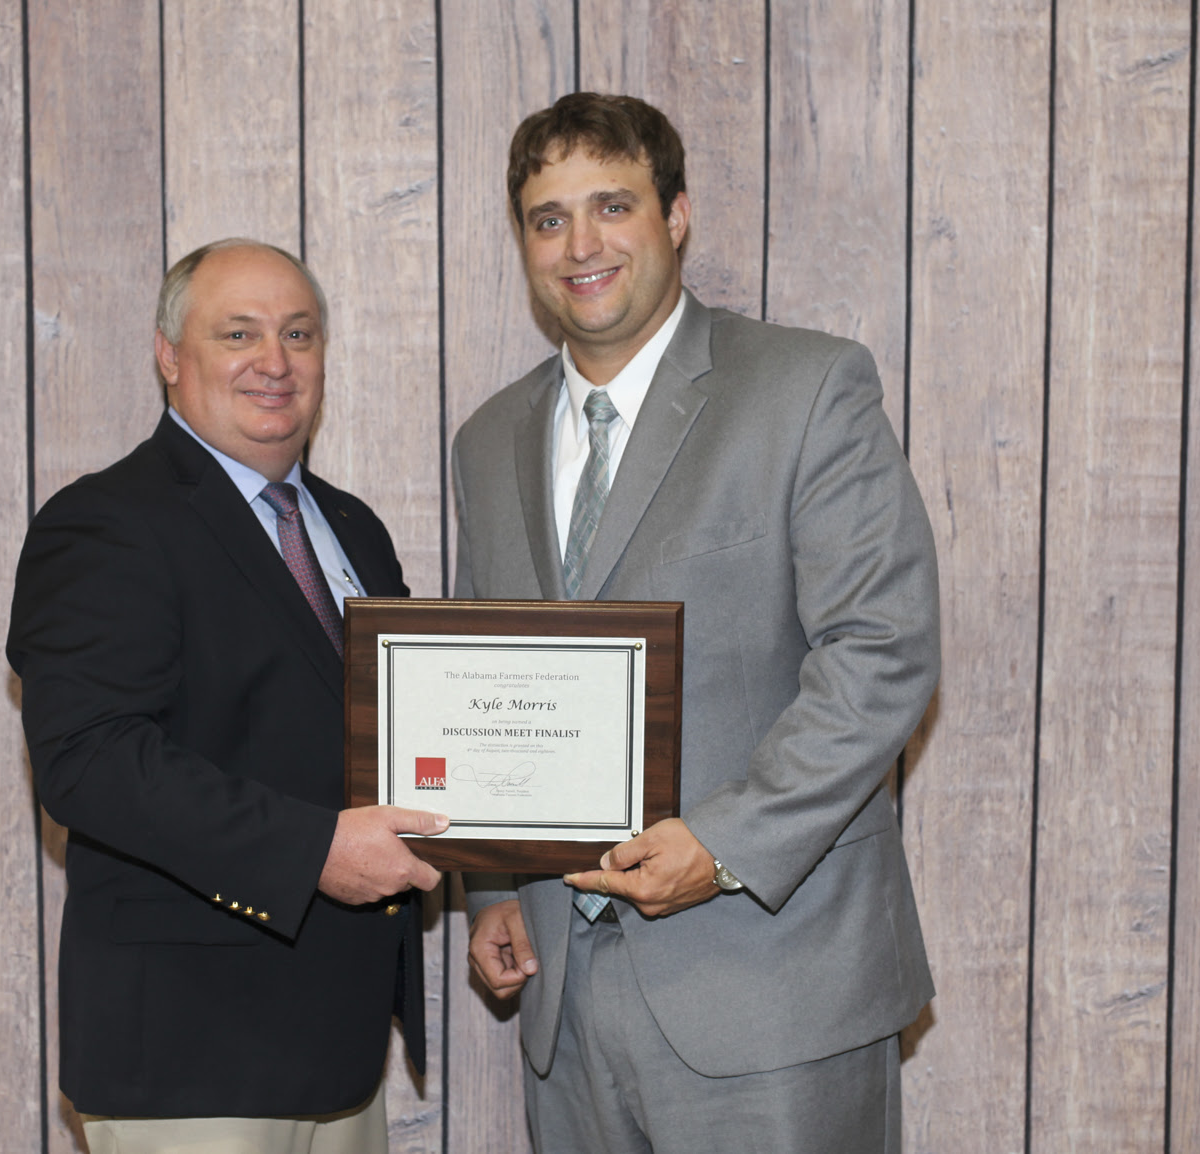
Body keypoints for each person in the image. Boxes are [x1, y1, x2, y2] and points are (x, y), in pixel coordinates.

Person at [454, 93, 940, 1153]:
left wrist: (719, 847)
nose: (580, 244)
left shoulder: (806, 388)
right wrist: (492, 879)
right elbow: (489, 674)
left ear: (676, 215)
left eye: (612, 205)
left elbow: (883, 652)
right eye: (548, 217)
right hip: (566, 1001)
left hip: (771, 985)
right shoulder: (486, 442)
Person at [8, 238, 448, 1153]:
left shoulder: (353, 528)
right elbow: (88, 760)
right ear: (171, 356)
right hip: (188, 1054)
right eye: (237, 333)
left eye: (298, 333)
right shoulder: (102, 523)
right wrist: (311, 849)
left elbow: (396, 740)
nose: (274, 362)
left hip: (339, 1042)